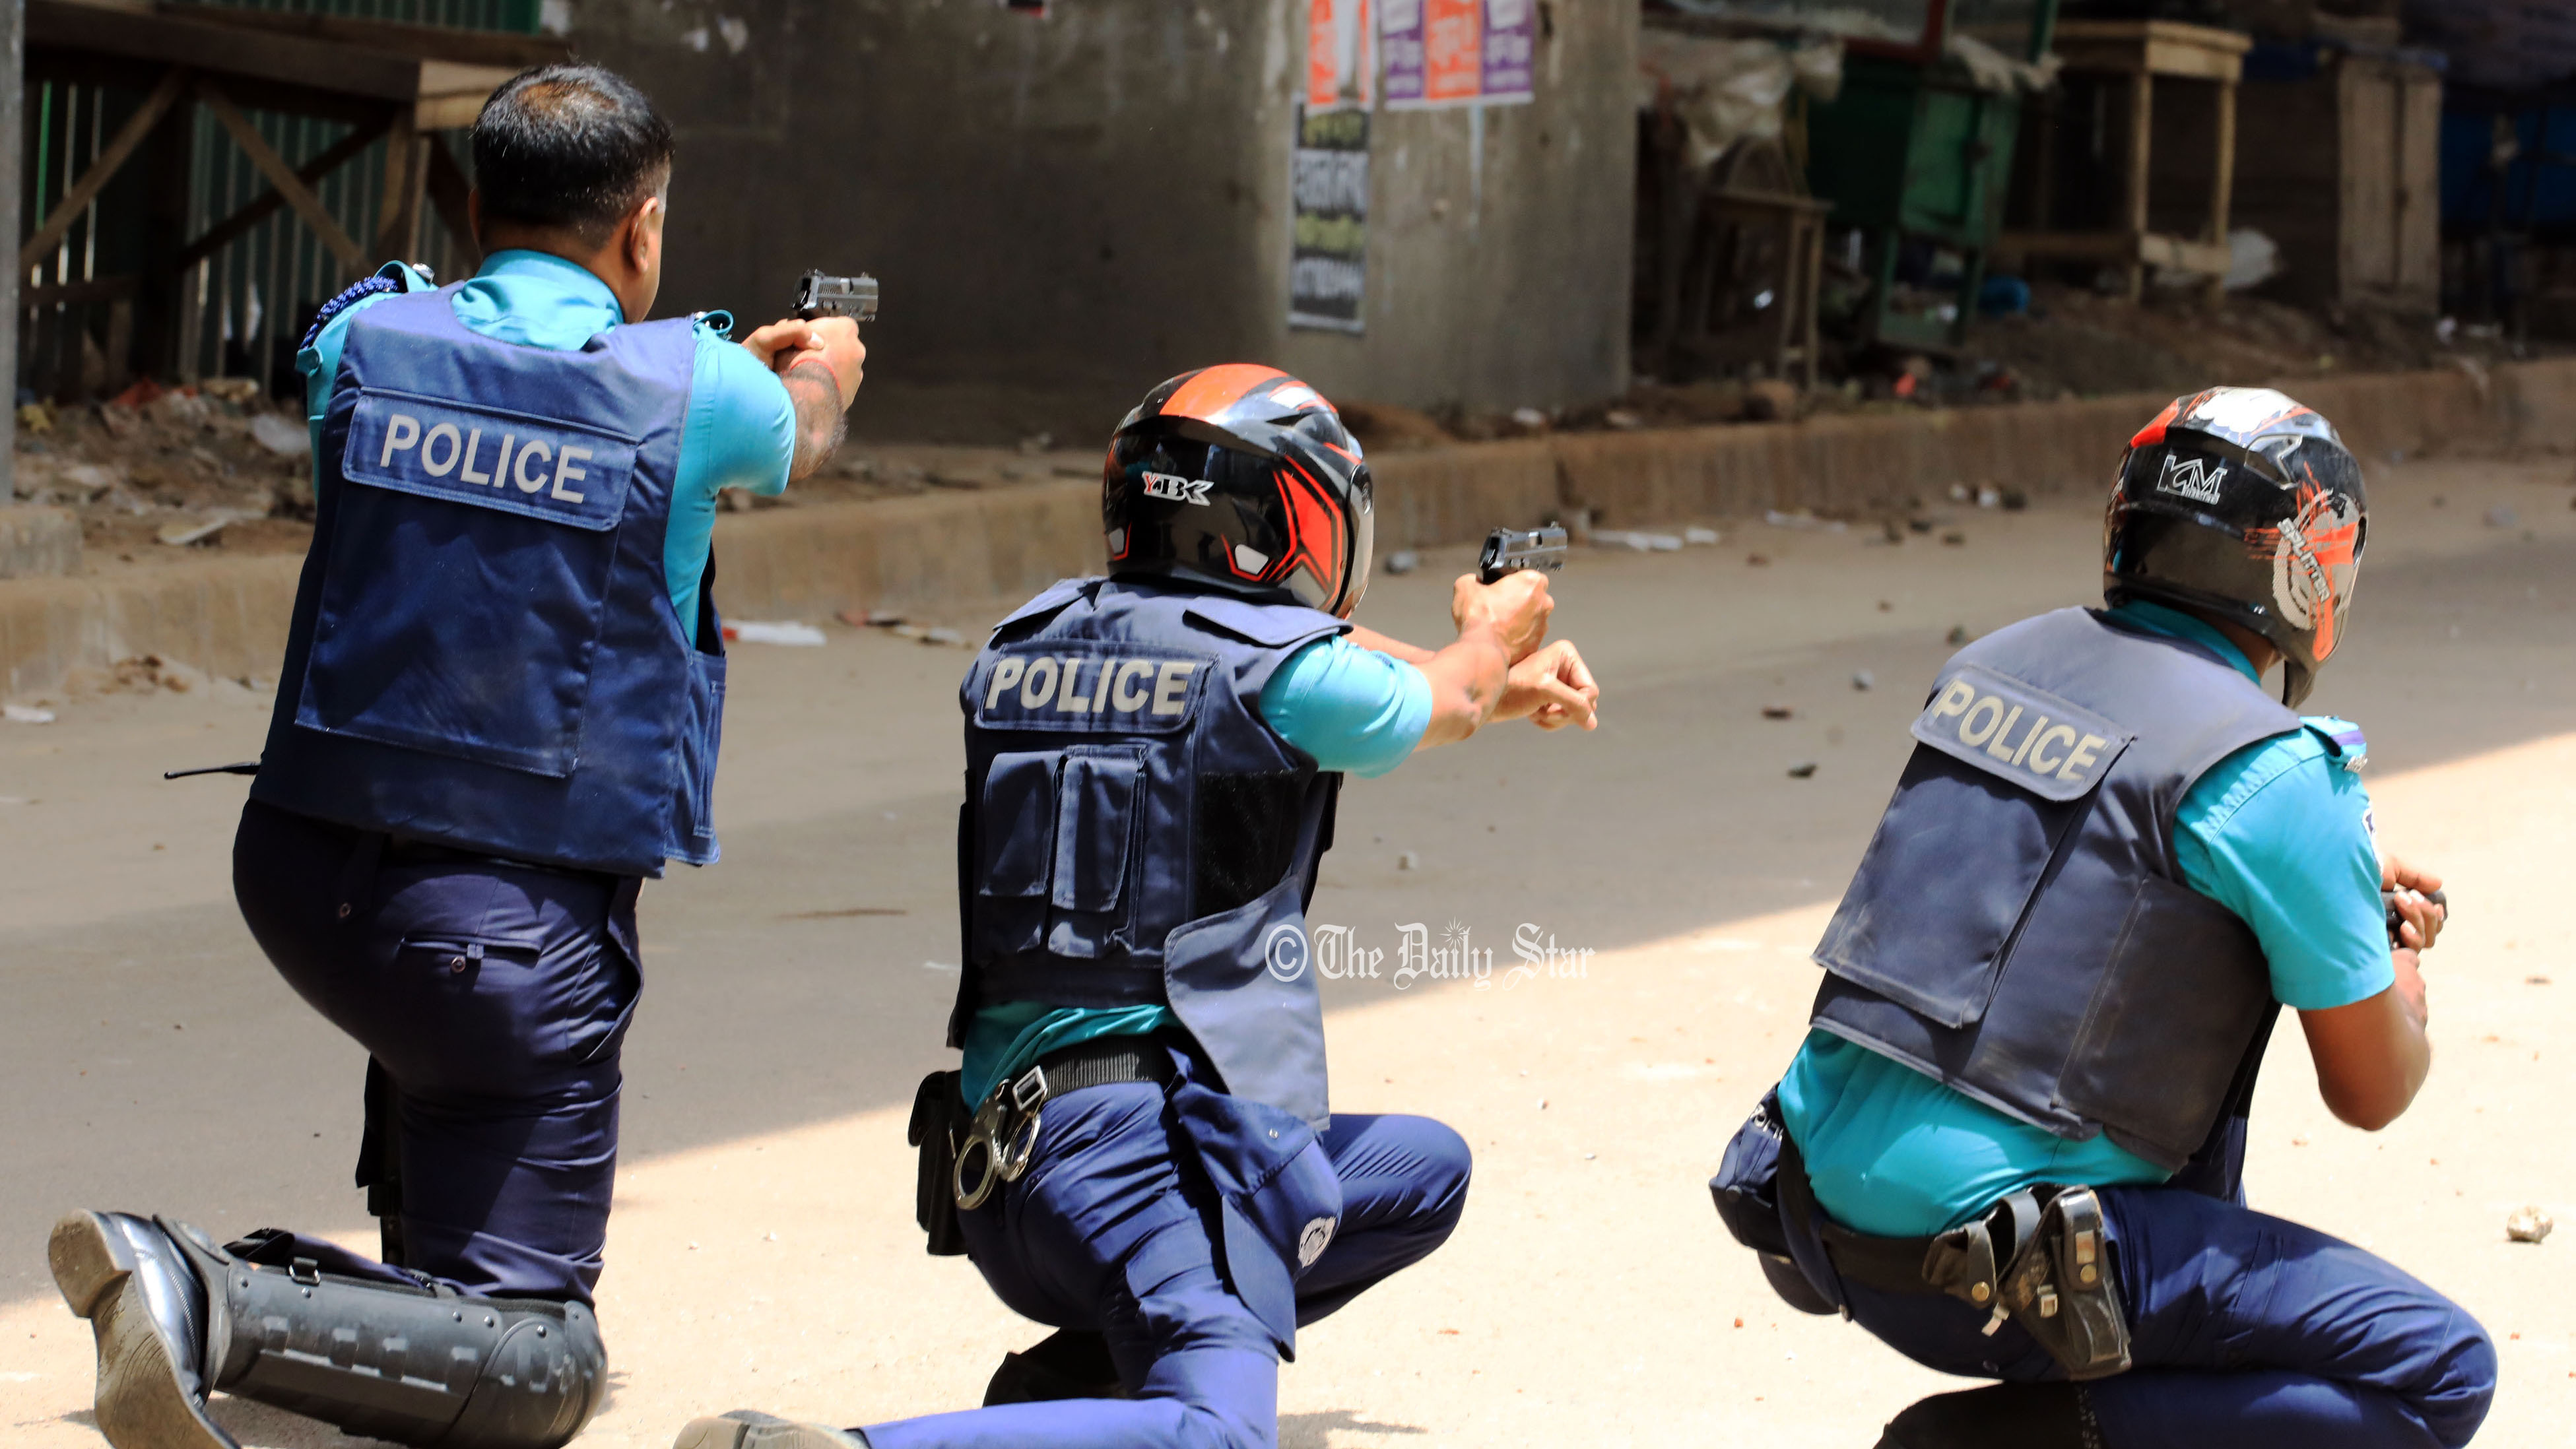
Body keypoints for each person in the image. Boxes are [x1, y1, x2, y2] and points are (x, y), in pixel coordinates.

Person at [50, 63, 865, 1449]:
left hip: (305, 883)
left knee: (453, 1208)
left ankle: (329, 1314)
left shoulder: (360, 342)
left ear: (474, 205)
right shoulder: (709, 391)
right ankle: (201, 1290)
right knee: (544, 1362)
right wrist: (827, 365)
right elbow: (801, 438)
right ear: (645, 228)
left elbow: (433, 354)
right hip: (505, 932)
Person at [675, 364, 1600, 1449]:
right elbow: (1428, 694)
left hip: (998, 1171)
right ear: (1291, 517)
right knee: (1218, 1434)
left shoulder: (1025, 640)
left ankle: (1087, 1393)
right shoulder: (1281, 681)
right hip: (1133, 1163)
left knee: (1422, 1170)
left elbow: (1244, 657)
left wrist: (1479, 678)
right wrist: (1487, 634)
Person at [1707, 387, 2495, 1448]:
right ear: (2308, 564)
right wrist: (2392, 970)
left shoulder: (1996, 663)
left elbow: (2079, 884)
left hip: (1813, 1212)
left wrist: (2330, 883)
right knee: (2440, 1371)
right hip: (2003, 1263)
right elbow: (2373, 1089)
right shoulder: (2276, 773)